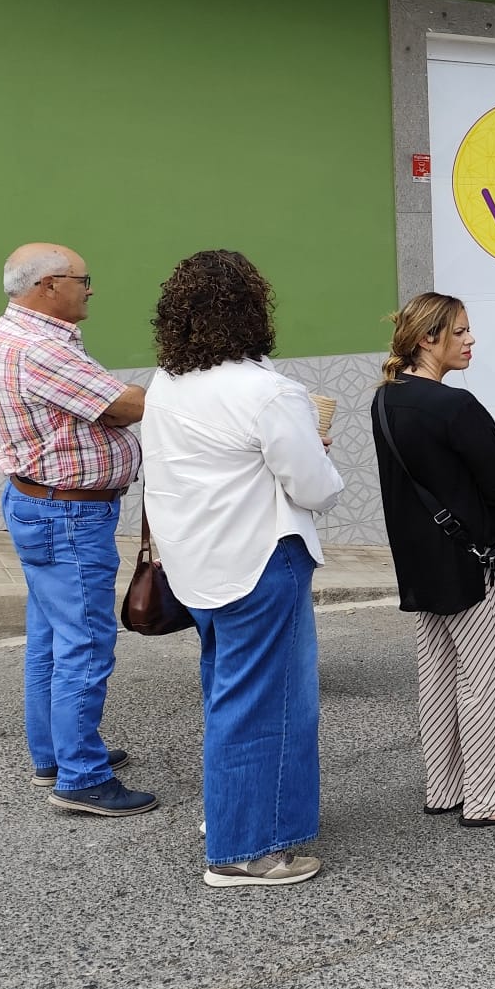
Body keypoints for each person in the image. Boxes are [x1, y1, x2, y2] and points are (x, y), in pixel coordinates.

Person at [143, 250, 345, 885]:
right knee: (270, 705)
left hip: (196, 560)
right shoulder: (268, 391)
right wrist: (317, 452)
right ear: (254, 311)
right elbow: (314, 487)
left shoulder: (166, 382)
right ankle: (247, 850)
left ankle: (231, 816)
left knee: (229, 695)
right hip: (261, 557)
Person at [373, 293, 495, 828]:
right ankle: (493, 797)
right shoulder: (456, 406)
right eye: (460, 331)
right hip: (473, 561)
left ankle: (446, 785)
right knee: (485, 680)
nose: (471, 340)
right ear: (428, 339)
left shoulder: (386, 400)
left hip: (420, 560)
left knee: (439, 676)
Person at [0, 244, 151, 816]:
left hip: (43, 505)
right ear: (50, 285)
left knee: (52, 637)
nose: (91, 288)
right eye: (84, 279)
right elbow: (125, 405)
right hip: (68, 515)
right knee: (84, 642)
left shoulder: (22, 332)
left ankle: (56, 755)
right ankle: (82, 775)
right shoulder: (42, 348)